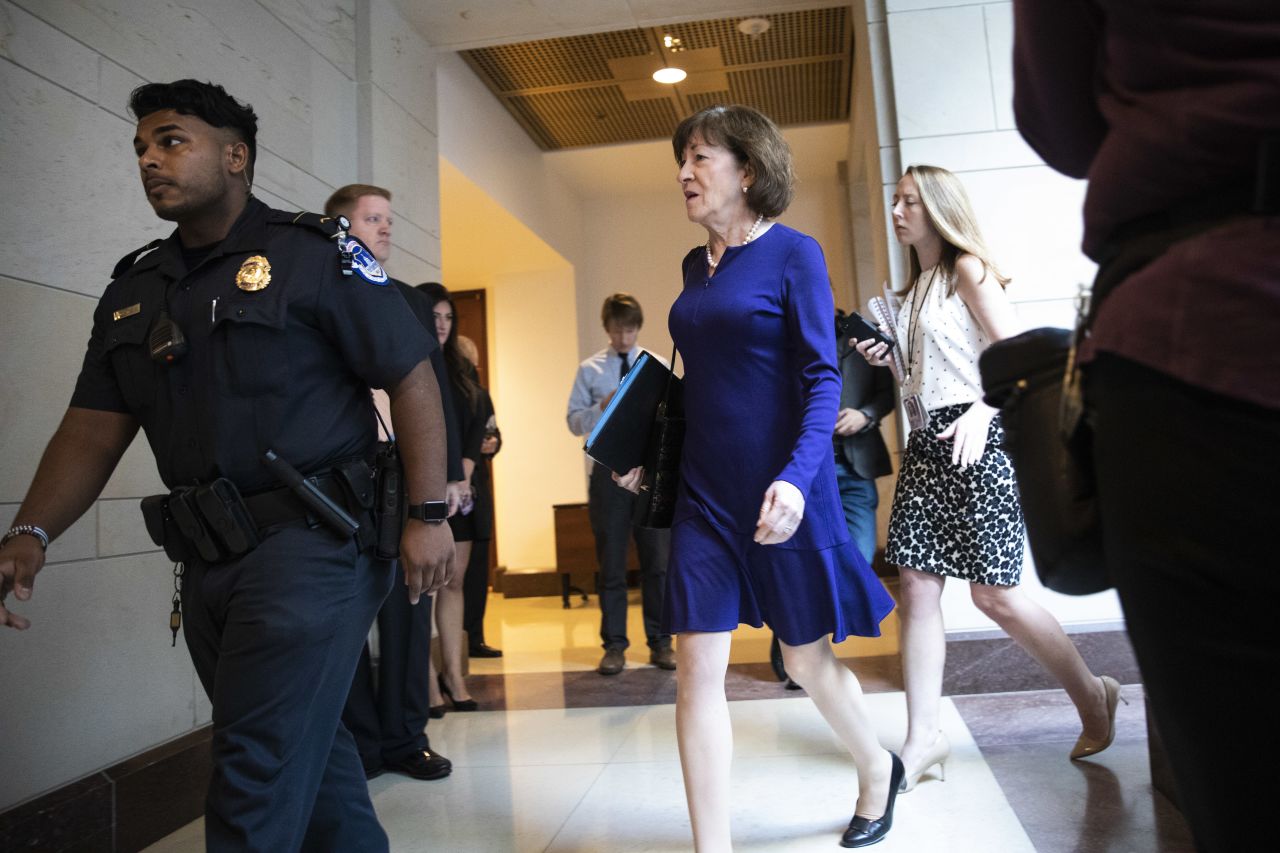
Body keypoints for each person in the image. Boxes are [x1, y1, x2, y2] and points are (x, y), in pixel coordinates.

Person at [0, 80, 454, 852]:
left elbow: (411, 373)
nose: (149, 158)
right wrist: (31, 529)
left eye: (170, 140)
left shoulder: (314, 255)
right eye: (140, 147)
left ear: (235, 155)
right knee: (308, 758)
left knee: (252, 774)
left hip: (318, 547)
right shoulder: (133, 290)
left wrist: (427, 514)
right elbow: (91, 428)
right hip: (209, 561)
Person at [1011, 4, 1280, 851]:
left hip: (1197, 339)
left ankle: (1093, 695)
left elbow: (1062, 120)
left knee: (1245, 784)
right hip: (1195, 331)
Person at [616, 104, 901, 850]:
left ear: (748, 170)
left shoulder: (795, 254)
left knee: (806, 656)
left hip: (785, 488)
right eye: (682, 158)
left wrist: (800, 481)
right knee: (696, 667)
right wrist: (656, 456)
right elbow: (702, 383)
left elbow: (820, 380)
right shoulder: (692, 267)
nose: (684, 171)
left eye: (701, 157)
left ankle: (877, 766)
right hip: (705, 496)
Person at [854, 164, 1120, 795]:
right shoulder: (914, 289)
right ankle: (922, 739)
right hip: (926, 442)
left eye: (910, 201)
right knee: (916, 587)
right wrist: (893, 358)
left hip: (979, 439)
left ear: (940, 208)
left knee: (992, 594)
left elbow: (1020, 359)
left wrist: (982, 410)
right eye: (895, 200)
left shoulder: (968, 268)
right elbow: (933, 373)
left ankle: (1092, 693)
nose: (897, 211)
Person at [324, 184, 461, 781]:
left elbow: (438, 397)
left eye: (389, 218)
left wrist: (448, 478)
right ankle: (360, 743)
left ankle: (407, 737)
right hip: (339, 476)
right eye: (372, 219)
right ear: (339, 227)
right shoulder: (318, 294)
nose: (385, 229)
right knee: (344, 610)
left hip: (405, 474)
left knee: (409, 605)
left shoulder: (407, 300)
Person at [771, 308, 896, 687]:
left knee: (855, 557)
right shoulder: (784, 337)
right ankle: (795, 650)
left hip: (855, 467)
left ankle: (807, 651)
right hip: (804, 472)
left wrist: (866, 415)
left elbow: (890, 387)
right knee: (801, 564)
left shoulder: (862, 336)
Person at [566, 294, 675, 675]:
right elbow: (573, 422)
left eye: (629, 328)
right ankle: (614, 646)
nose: (623, 336)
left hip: (648, 473)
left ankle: (661, 642)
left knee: (657, 562)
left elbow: (672, 416)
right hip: (606, 473)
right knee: (611, 563)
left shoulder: (656, 364)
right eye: (616, 329)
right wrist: (601, 406)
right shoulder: (590, 369)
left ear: (638, 327)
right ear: (607, 328)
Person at [427, 293, 492, 709]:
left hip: (463, 491)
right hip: (428, 490)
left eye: (449, 316)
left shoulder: (462, 369)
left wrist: (465, 473)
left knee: (454, 581)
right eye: (435, 316)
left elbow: (478, 420)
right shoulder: (413, 365)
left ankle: (453, 673)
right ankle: (427, 682)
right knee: (427, 586)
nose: (442, 323)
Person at [456, 333, 504, 659]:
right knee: (459, 572)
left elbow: (495, 434)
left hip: (480, 490)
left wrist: (492, 444)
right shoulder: (449, 397)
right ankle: (460, 638)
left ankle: (475, 636)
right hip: (457, 489)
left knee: (479, 566)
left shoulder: (483, 396)